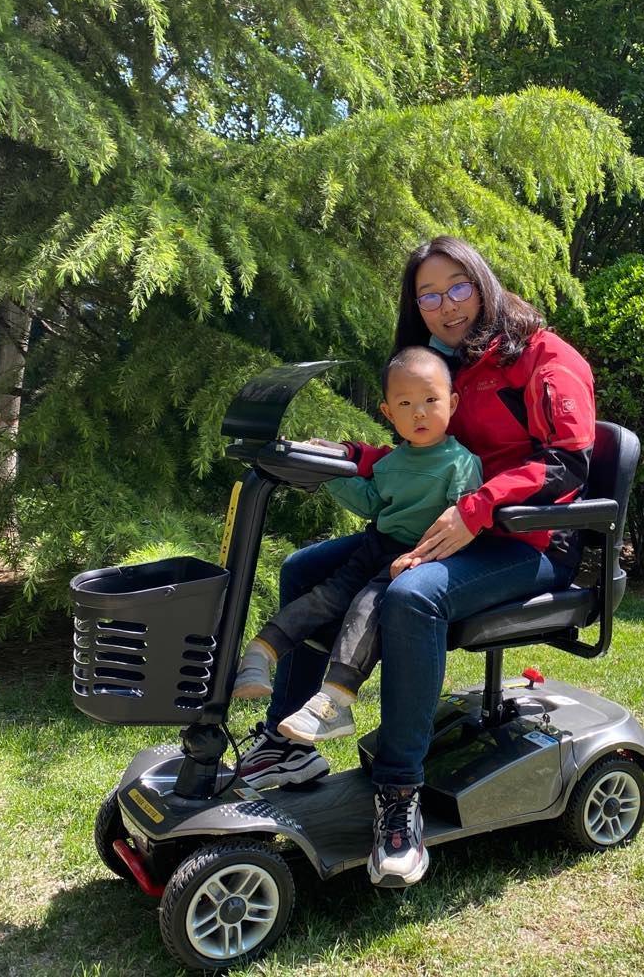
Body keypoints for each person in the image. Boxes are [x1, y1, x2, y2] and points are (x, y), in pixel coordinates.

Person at [237, 235, 596, 889]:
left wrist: (480, 507)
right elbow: (426, 444)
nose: (443, 305)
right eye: (426, 296)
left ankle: (398, 798)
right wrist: (349, 456)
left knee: (410, 597)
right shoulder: (447, 363)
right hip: (457, 523)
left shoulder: (547, 359)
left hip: (533, 541)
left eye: (456, 286)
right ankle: (289, 752)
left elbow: (568, 465)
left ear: (482, 281)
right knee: (305, 571)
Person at [230, 346, 481, 744]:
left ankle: (335, 703)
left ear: (451, 403)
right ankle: (260, 654)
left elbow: (457, 523)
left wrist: (416, 557)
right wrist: (326, 471)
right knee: (325, 597)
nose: (419, 412)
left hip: (414, 557)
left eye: (430, 401)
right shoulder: (391, 462)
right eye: (406, 403)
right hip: (376, 546)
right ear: (388, 413)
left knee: (366, 608)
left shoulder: (460, 462)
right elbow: (369, 502)